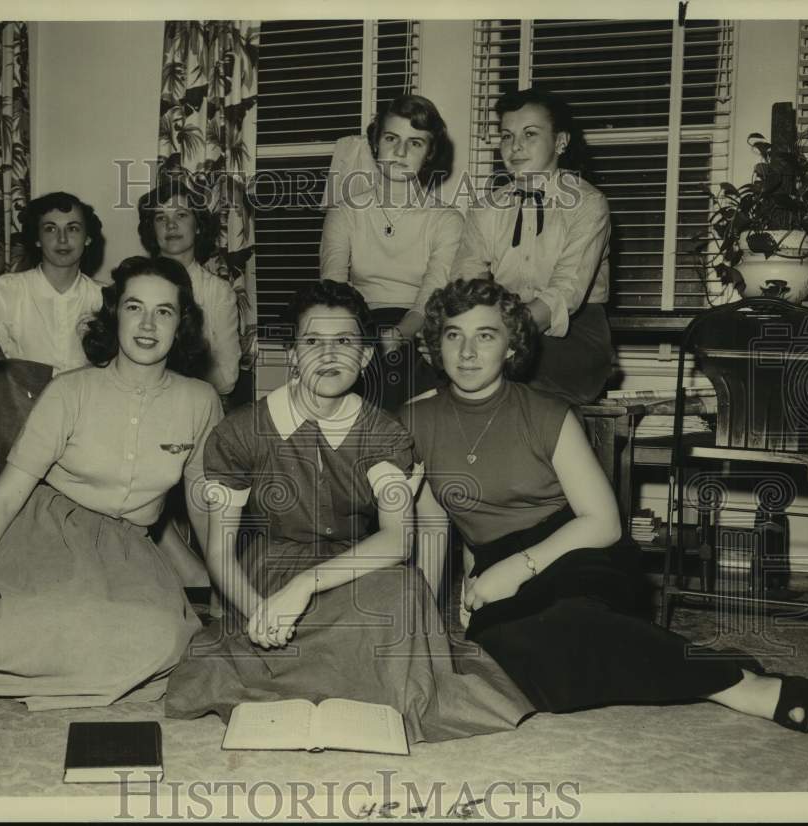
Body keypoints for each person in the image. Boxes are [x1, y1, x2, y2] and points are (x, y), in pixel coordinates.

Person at [403, 277, 808, 732]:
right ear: (435, 346)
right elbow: (430, 524)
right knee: (516, 665)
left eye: (485, 336)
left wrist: (514, 569)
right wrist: (430, 616)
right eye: (453, 335)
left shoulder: (547, 413)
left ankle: (738, 686)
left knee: (568, 622)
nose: (467, 352)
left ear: (510, 347)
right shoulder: (415, 420)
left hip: (573, 550)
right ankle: (683, 656)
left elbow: (603, 523)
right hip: (495, 566)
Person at [162, 280, 534, 743]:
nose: (329, 355)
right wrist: (259, 610)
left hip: (351, 569)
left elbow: (398, 541)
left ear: (365, 357)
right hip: (268, 574)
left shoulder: (383, 433)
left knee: (403, 594)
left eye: (344, 342)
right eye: (312, 342)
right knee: (248, 651)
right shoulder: (242, 432)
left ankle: (334, 682)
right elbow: (219, 550)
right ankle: (324, 674)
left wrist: (305, 586)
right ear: (293, 354)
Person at [0, 257, 222, 710]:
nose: (148, 324)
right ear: (115, 314)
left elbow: (205, 507)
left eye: (164, 311)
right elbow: (8, 494)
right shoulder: (71, 391)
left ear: (180, 323)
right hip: (49, 534)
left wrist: (227, 594)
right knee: (53, 619)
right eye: (134, 307)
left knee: (168, 639)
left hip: (130, 554)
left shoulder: (201, 400)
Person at [450, 88, 613, 406]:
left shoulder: (588, 204)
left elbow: (565, 293)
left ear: (561, 142)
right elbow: (466, 284)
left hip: (570, 333)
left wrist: (494, 336)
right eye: (507, 136)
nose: (516, 147)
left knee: (518, 396)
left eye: (530, 134)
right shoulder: (485, 209)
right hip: (497, 326)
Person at [320, 94, 462, 412]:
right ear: (375, 144)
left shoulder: (447, 220)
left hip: (419, 329)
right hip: (357, 326)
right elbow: (333, 290)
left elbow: (432, 293)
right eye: (391, 138)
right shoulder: (344, 213)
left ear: (429, 153)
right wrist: (360, 338)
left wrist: (399, 334)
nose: (400, 152)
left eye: (415, 143)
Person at [138, 176, 241, 397]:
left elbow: (227, 380)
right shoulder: (134, 284)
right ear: (152, 231)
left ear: (197, 226)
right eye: (160, 218)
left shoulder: (218, 292)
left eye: (181, 215)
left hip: (195, 401)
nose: (171, 225)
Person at [0, 191, 106, 375]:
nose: (62, 239)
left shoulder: (103, 297)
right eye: (51, 228)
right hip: (20, 402)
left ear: (87, 238)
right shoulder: (5, 291)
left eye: (73, 228)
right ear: (37, 239)